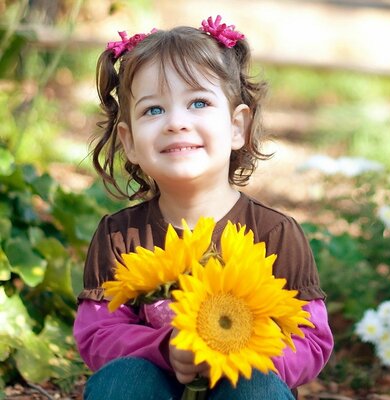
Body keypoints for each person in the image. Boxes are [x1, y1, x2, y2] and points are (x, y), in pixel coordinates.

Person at [73, 16, 334, 400]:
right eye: (153, 110)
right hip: (153, 386)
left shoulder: (276, 235)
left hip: (244, 381)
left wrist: (239, 352)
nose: (177, 122)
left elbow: (311, 340)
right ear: (128, 141)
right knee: (123, 380)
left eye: (198, 102)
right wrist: (165, 348)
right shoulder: (120, 236)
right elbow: (98, 334)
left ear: (236, 126)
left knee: (257, 387)